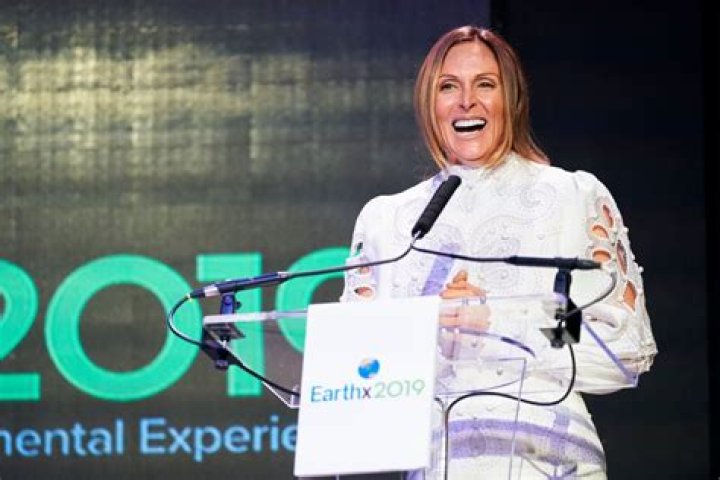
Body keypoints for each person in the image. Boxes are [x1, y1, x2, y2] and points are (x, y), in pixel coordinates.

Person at [340, 25, 657, 479]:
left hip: (552, 463)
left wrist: (500, 324)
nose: (466, 101)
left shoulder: (570, 197)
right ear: (429, 104)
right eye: (449, 87)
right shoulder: (390, 223)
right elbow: (357, 375)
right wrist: (430, 326)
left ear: (512, 99)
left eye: (485, 84)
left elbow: (625, 348)